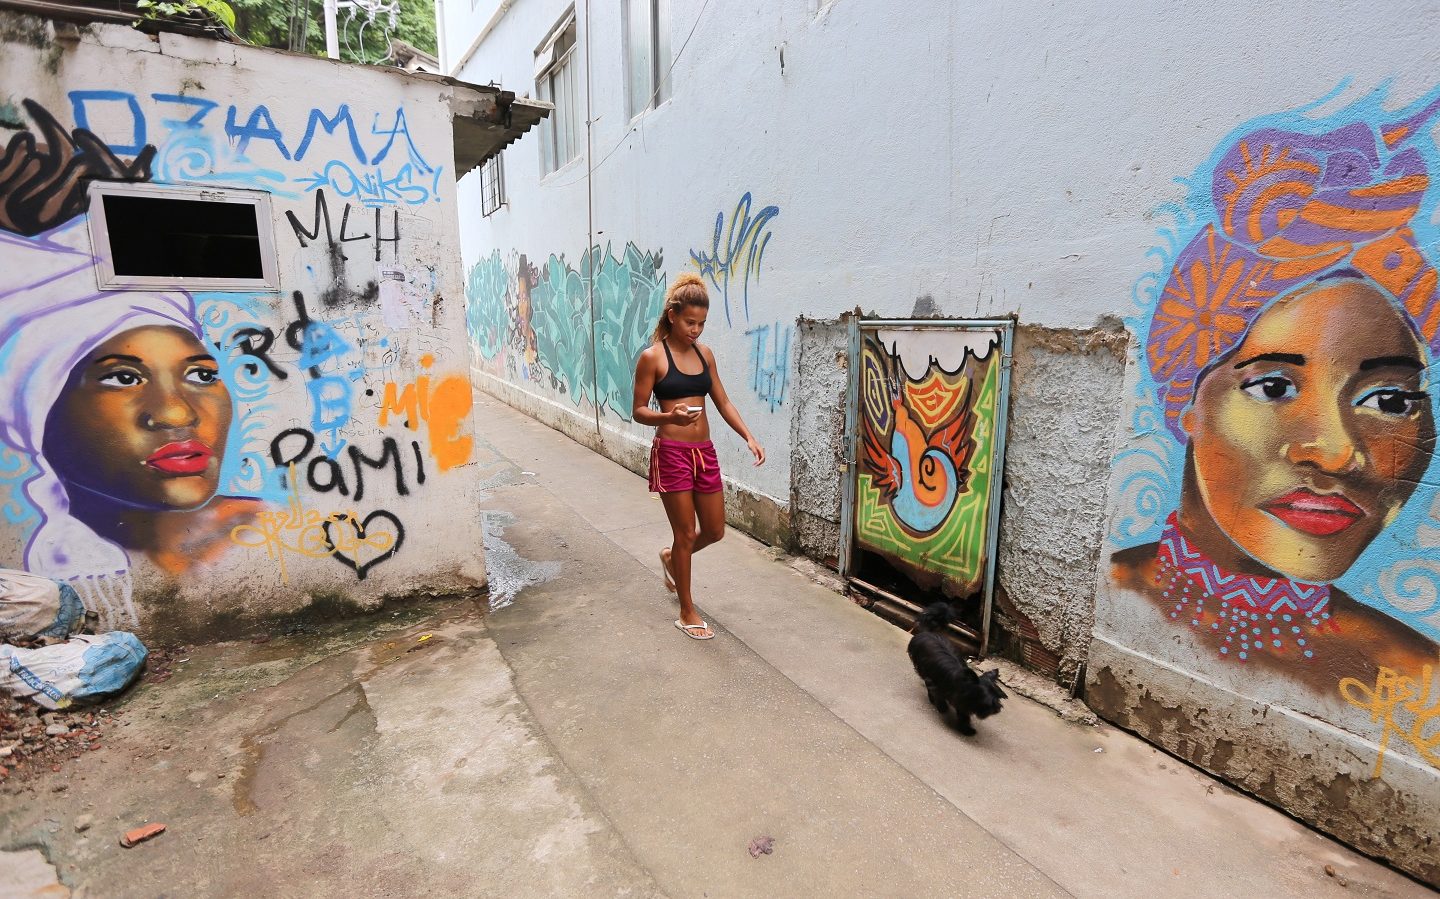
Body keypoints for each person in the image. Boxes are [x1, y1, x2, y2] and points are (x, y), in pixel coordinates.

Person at [1111, 106, 1440, 695]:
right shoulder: (1095, 594)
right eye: (1273, 387)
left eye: (1389, 400)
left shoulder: (1419, 687)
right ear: (1186, 402)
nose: (1338, 454)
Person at [0, 223, 258, 630]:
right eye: (122, 377)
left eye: (201, 375)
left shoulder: (272, 527)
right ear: (36, 414)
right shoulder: (41, 585)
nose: (176, 414)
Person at [632, 273, 765, 640]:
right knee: (686, 532)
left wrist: (749, 436)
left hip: (704, 453)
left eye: (702, 324)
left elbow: (721, 401)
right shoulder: (652, 358)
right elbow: (639, 410)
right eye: (690, 322)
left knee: (715, 530)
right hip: (672, 452)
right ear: (673, 315)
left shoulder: (705, 355)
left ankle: (672, 558)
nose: (696, 330)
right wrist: (668, 416)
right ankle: (687, 610)